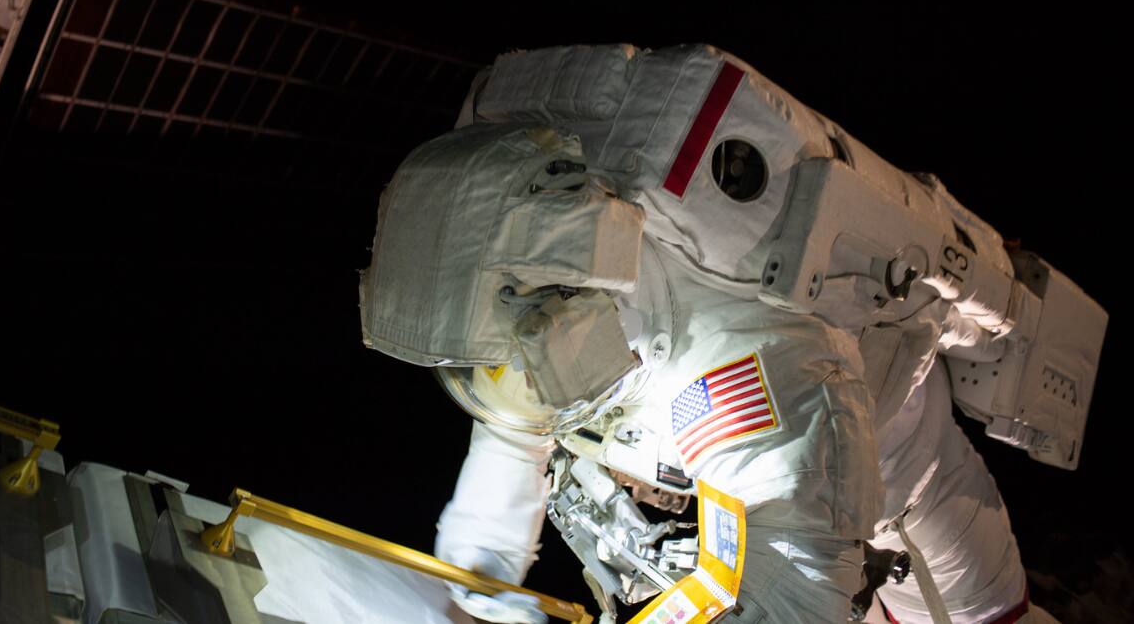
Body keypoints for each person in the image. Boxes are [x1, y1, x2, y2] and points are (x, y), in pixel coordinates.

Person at [359, 44, 1103, 622]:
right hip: (743, 492)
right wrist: (475, 588)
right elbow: (511, 443)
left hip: (905, 502)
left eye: (509, 368)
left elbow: (800, 591)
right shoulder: (541, 316)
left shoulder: (733, 362)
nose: (510, 386)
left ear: (563, 305)